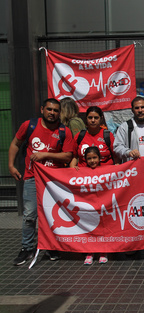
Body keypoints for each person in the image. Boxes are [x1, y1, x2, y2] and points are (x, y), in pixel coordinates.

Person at [8, 98, 75, 266]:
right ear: (42, 109)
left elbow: (68, 155)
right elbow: (16, 143)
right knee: (30, 215)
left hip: (55, 181)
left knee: (52, 215)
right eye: (49, 109)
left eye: (56, 110)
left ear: (60, 113)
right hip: (32, 178)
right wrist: (10, 165)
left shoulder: (64, 131)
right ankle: (27, 248)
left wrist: (45, 155)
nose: (52, 113)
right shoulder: (29, 126)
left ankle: (51, 247)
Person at [78, 146, 109, 265]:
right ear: (85, 159)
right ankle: (90, 252)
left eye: (95, 158)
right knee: (89, 229)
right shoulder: (81, 172)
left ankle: (103, 252)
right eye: (89, 158)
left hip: (102, 207)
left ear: (100, 158)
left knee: (102, 229)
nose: (92, 161)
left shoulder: (106, 170)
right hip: (88, 207)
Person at [113, 96, 144, 163]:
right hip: (133, 170)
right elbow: (117, 147)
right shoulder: (125, 127)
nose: (140, 110)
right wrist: (128, 152)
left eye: (142, 107)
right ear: (132, 110)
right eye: (137, 108)